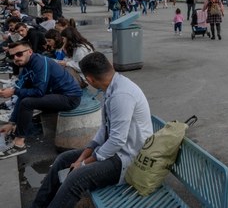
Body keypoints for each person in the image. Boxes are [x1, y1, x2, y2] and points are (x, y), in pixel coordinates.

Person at [30, 52, 152, 207]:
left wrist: (83, 164)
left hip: (128, 159)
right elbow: (104, 129)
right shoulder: (111, 88)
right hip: (115, 151)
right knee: (63, 159)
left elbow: (117, 140)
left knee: (76, 179)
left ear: (89, 80)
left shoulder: (122, 95)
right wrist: (82, 158)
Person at [0, 41, 82, 159]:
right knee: (25, 98)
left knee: (27, 102)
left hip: (69, 98)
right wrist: (12, 122)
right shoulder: (27, 66)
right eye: (12, 56)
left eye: (19, 54)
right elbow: (22, 92)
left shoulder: (39, 62)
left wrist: (13, 91)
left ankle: (19, 144)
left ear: (29, 51)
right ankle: (16, 131)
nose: (16, 58)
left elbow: (39, 92)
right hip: (55, 95)